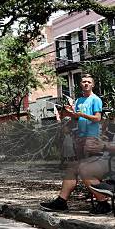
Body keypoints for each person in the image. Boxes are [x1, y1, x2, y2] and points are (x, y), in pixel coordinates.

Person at [40, 74, 110, 214]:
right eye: (83, 82)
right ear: (80, 84)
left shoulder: (95, 99)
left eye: (89, 82)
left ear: (93, 85)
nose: (86, 84)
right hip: (80, 140)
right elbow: (76, 120)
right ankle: (61, 201)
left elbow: (97, 118)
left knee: (84, 169)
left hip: (92, 140)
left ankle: (103, 203)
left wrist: (81, 115)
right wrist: (68, 116)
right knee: (72, 168)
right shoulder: (79, 100)